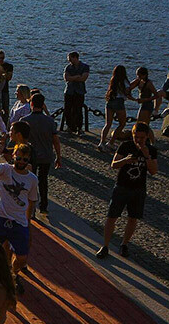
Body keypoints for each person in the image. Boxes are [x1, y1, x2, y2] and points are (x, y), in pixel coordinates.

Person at [96, 122, 159, 259]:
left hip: (138, 189)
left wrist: (147, 155)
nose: (139, 140)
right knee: (112, 216)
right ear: (133, 135)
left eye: (142, 138)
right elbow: (114, 165)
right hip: (122, 186)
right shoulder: (125, 146)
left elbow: (153, 171)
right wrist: (125, 160)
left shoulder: (151, 150)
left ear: (147, 136)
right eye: (137, 137)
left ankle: (124, 244)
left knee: (133, 218)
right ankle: (105, 245)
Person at [0, 142, 38, 293]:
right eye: (19, 158)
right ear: (13, 156)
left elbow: (32, 201)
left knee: (22, 257)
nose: (21, 162)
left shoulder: (32, 179)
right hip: (0, 215)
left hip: (19, 220)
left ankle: (12, 273)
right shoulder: (5, 169)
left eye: (25, 159)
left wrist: (28, 221)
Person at [24, 94, 62, 215]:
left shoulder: (25, 120)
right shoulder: (50, 121)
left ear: (31, 104)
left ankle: (31, 206)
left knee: (30, 181)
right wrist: (58, 156)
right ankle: (44, 205)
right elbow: (55, 140)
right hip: (46, 155)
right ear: (43, 104)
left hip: (30, 156)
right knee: (43, 181)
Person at [98, 65, 130, 152]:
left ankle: (102, 142)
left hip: (110, 101)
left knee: (108, 124)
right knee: (122, 124)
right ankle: (111, 142)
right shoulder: (124, 81)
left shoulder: (113, 80)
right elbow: (127, 92)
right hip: (119, 102)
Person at [62, 51, 90, 134]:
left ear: (75, 58)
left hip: (79, 91)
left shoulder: (85, 67)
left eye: (70, 58)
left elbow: (83, 78)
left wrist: (72, 78)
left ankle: (79, 128)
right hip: (69, 91)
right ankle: (70, 127)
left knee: (78, 110)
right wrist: (77, 77)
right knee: (67, 110)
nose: (69, 61)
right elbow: (66, 78)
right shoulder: (68, 67)